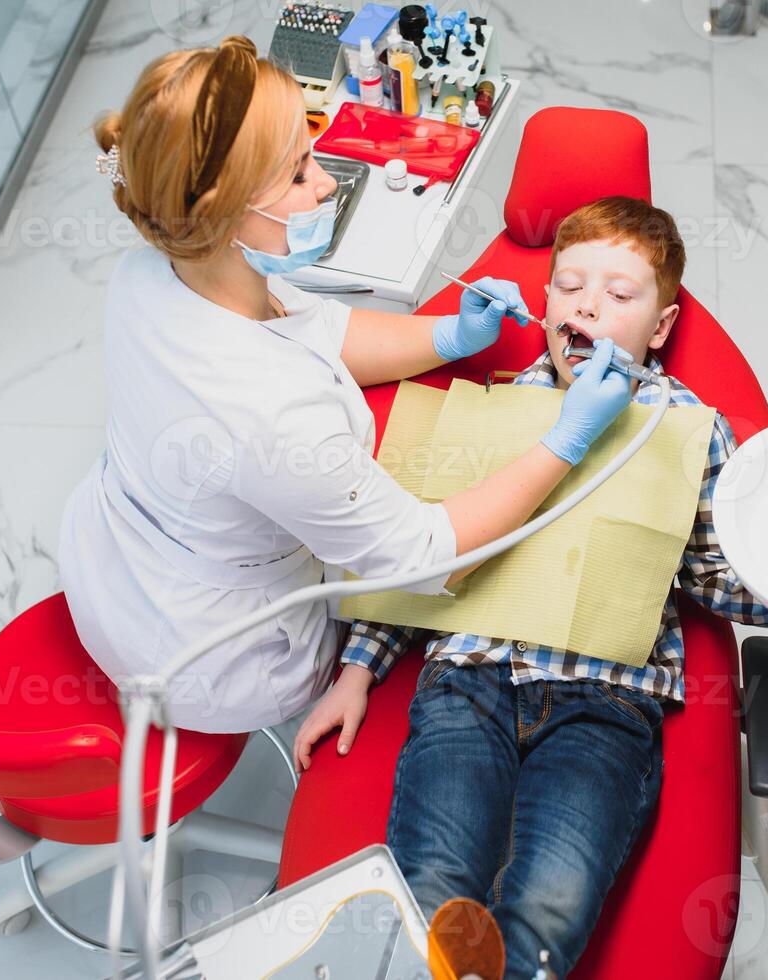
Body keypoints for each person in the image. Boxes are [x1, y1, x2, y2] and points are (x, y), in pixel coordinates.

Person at [58, 37, 632, 732]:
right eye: (300, 174)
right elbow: (427, 561)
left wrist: (448, 335)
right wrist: (567, 441)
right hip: (219, 656)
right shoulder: (267, 416)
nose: (328, 181)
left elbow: (317, 330)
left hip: (115, 559)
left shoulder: (159, 267)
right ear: (222, 212)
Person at [293, 196, 768, 977]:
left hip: (606, 701)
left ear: (659, 327)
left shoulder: (688, 427)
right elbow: (421, 557)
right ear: (547, 302)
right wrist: (359, 669)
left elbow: (712, 575)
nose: (589, 304)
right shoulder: (493, 404)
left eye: (620, 295)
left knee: (547, 911)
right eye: (569, 286)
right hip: (468, 683)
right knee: (431, 888)